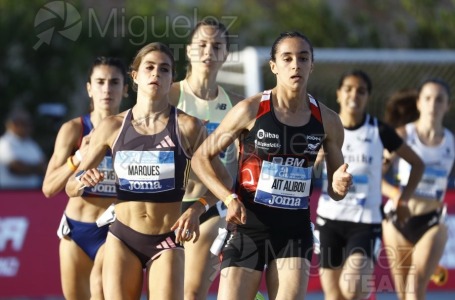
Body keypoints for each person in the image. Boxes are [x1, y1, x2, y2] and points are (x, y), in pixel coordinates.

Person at [191, 31, 353, 300]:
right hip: (248, 227)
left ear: (311, 64)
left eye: (303, 58)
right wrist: (228, 198)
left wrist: (339, 185)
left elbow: (337, 191)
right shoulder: (250, 110)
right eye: (287, 58)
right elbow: (200, 158)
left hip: (294, 233)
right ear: (274, 66)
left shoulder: (328, 121)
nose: (295, 65)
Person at [65, 42, 230, 300]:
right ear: (135, 76)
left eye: (164, 69)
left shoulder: (188, 127)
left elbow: (224, 180)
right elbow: (70, 186)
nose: (156, 74)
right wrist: (80, 181)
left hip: (166, 240)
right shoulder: (111, 127)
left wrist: (197, 208)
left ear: (171, 79)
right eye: (149, 67)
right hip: (123, 238)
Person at [315, 70, 424, 300]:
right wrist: (313, 162)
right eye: (349, 89)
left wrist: (403, 198)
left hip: (365, 223)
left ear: (367, 97)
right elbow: (307, 166)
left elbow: (417, 164)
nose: (354, 94)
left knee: (353, 287)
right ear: (338, 94)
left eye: (361, 91)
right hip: (329, 220)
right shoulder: (324, 130)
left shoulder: (380, 130)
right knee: (334, 296)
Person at [168, 19, 243, 300]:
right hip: (166, 204)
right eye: (201, 44)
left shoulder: (237, 104)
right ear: (189, 51)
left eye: (216, 46)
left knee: (192, 291)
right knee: (166, 292)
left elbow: (244, 161)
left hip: (210, 204)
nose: (208, 51)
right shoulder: (169, 95)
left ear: (225, 54)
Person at [42, 56, 128, 300]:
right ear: (89, 88)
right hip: (75, 230)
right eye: (100, 82)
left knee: (101, 291)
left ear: (125, 88)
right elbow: (48, 188)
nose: (107, 89)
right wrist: (79, 156)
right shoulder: (74, 129)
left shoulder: (134, 131)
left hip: (114, 230)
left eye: (114, 82)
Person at [382, 78, 455, 300]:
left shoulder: (451, 142)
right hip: (398, 221)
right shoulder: (403, 135)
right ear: (419, 103)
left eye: (439, 99)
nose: (433, 105)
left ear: (447, 105)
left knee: (415, 290)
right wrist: (396, 195)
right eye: (428, 99)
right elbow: (375, 174)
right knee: (404, 294)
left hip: (431, 222)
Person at [0, 108, 46, 189]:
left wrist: (29, 167)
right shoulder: (4, 143)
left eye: (30, 124)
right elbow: (15, 168)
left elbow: (44, 166)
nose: (28, 127)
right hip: (8, 193)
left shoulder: (31, 144)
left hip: (32, 192)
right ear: (13, 124)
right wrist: (36, 169)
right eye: (24, 123)